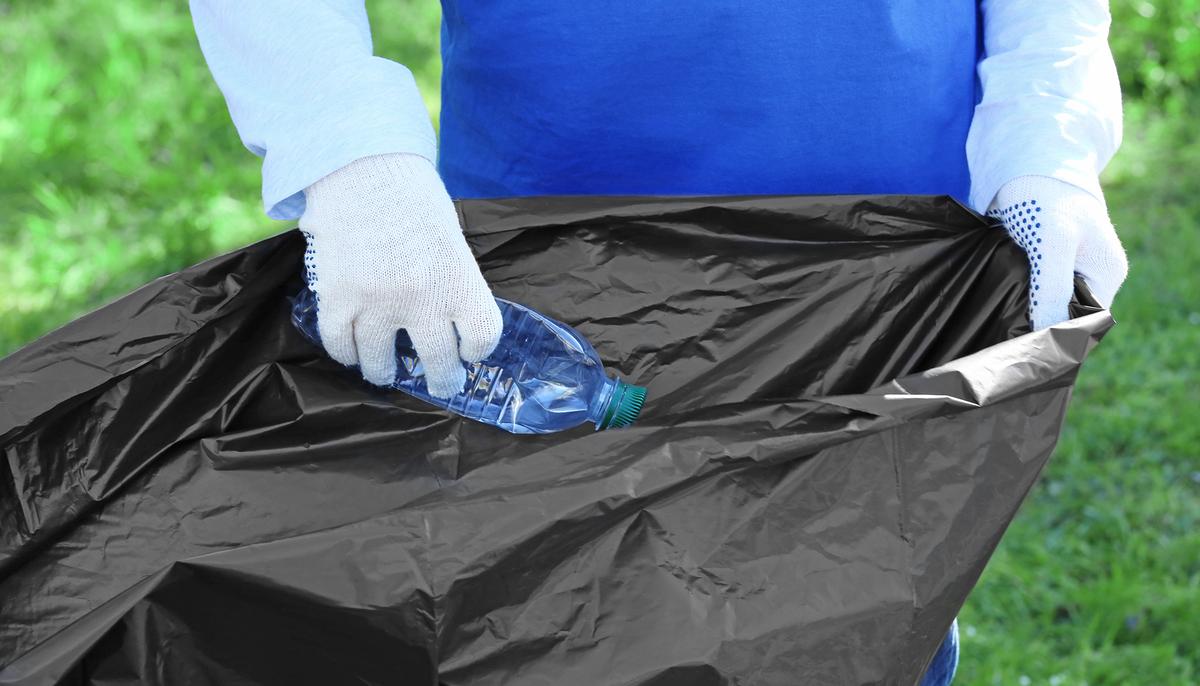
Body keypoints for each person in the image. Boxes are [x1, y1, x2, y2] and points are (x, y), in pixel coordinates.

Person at [189, 1, 1128, 682]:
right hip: (556, 278)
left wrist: (1047, 138)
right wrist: (349, 155)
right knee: (565, 633)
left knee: (857, 629)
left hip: (891, 298)